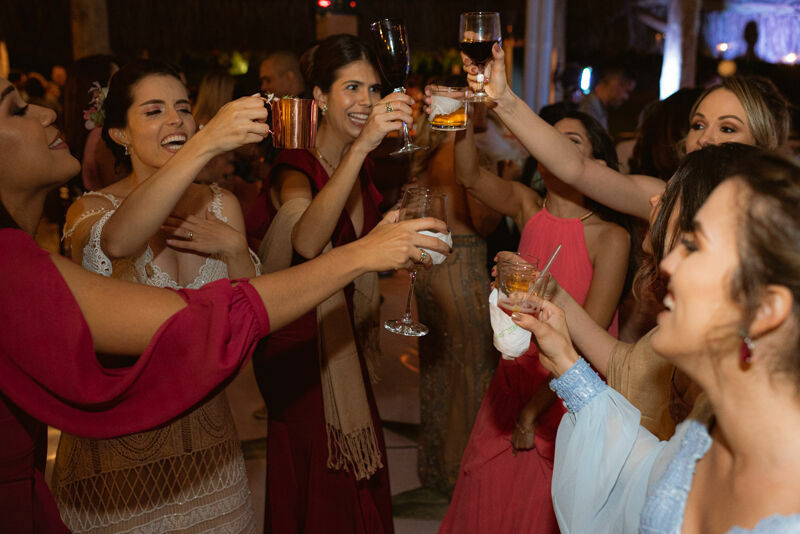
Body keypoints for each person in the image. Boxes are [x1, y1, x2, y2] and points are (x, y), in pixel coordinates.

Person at [0, 75, 449, 533]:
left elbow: (249, 324)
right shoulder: (91, 210)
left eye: (183, 107)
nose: (175, 118)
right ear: (118, 134)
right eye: (154, 111)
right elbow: (120, 242)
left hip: (211, 459)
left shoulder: (221, 204)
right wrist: (208, 142)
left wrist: (236, 249)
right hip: (116, 468)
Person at [513, 151, 800, 533]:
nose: (667, 265)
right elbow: (642, 480)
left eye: (694, 247)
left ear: (765, 308)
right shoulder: (706, 426)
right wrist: (567, 364)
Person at [439, 107, 631, 534]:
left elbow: (587, 341)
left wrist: (533, 411)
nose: (557, 145)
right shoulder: (528, 207)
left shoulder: (610, 237)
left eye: (573, 141)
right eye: (551, 137)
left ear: (597, 165)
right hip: (515, 375)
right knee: (485, 489)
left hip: (567, 392)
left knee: (539, 507)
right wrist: (464, 114)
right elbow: (469, 176)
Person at [252, 34, 416, 534]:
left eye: (372, 89)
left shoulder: (359, 165)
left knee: (353, 472)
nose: (366, 102)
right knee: (319, 478)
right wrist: (364, 144)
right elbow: (307, 237)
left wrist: (407, 231)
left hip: (340, 337)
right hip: (299, 343)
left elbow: (365, 243)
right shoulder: (293, 165)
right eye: (351, 88)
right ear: (320, 97)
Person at [464, 44, 791, 221]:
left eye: (728, 128)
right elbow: (576, 168)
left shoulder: (779, 222)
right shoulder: (664, 201)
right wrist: (504, 101)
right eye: (698, 124)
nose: (705, 138)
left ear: (763, 145)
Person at [408, 109, 499, 498]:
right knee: (471, 368)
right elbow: (485, 222)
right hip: (462, 263)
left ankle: (436, 465)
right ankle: (464, 472)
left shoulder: (427, 156)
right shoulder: (469, 158)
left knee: (438, 367)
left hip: (430, 265)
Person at [577, 65, 635, 130]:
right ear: (615, 83)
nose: (626, 98)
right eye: (626, 91)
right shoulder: (588, 107)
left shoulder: (599, 108)